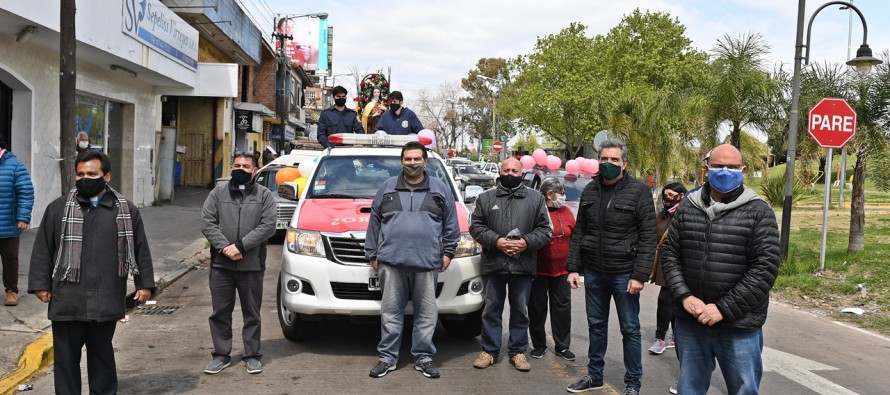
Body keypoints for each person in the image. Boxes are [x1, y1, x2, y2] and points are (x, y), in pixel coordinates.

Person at [28, 150, 155, 394]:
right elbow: (43, 248)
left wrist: (144, 284)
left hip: (106, 299)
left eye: (92, 174)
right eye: (80, 174)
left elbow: (141, 250)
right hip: (67, 299)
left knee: (102, 359)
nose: (85, 178)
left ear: (106, 176)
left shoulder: (126, 211)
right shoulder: (58, 209)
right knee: (65, 361)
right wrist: (40, 284)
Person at [661, 144, 781, 395]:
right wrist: (685, 296)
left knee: (743, 389)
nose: (725, 171)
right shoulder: (688, 207)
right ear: (707, 169)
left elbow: (765, 268)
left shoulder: (759, 211)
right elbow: (670, 254)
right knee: (689, 388)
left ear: (743, 170)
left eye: (732, 166)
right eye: (718, 166)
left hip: (738, 325)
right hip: (691, 320)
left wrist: (723, 309)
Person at [566, 139, 656, 395]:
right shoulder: (591, 190)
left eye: (614, 160)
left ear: (624, 164)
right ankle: (594, 376)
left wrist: (639, 275)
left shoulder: (638, 192)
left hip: (625, 273)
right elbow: (580, 230)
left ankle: (632, 384)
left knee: (630, 330)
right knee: (596, 326)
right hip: (594, 272)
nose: (608, 164)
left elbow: (648, 237)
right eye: (604, 159)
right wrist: (573, 267)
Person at [365, 141, 460, 379]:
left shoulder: (439, 188)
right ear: (401, 161)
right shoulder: (387, 188)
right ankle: (387, 358)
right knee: (390, 313)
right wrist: (372, 254)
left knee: (426, 315)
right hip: (391, 262)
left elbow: (451, 224)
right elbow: (374, 223)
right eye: (408, 159)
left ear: (425, 161)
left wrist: (448, 252)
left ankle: (423, 357)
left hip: (426, 262)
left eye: (417, 159)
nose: (412, 163)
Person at [469, 157, 552, 372]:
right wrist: (496, 241)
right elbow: (475, 226)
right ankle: (489, 350)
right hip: (494, 263)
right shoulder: (485, 198)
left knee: (520, 310)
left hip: (523, 265)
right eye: (506, 170)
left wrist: (526, 243)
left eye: (515, 171)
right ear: (499, 171)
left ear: (522, 173)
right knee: (491, 309)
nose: (510, 174)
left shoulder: (536, 199)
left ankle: (517, 351)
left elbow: (546, 229)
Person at [201, 152, 276, 375]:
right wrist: (225, 247)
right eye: (236, 165)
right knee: (220, 312)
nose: (240, 169)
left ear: (255, 171)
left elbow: (268, 225)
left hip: (252, 266)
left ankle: (252, 355)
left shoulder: (264, 195)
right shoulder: (218, 193)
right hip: (221, 266)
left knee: (252, 313)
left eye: (245, 166)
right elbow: (207, 223)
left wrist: (241, 246)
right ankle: (221, 355)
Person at [528, 176, 575, 361]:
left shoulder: (567, 212)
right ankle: (539, 344)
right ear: (549, 194)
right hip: (538, 271)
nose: (563, 196)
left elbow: (575, 236)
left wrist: (575, 268)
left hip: (562, 271)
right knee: (537, 309)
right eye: (560, 193)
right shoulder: (536, 212)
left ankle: (562, 346)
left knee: (562, 309)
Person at [648, 182, 687, 357]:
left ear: (681, 196)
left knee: (666, 299)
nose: (667, 199)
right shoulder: (662, 216)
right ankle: (673, 337)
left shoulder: (686, 214)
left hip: (680, 265)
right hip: (663, 264)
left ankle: (660, 338)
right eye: (666, 195)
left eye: (672, 195)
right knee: (670, 301)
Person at [0, 138, 34, 306]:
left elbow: (26, 192)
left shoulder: (15, 166)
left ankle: (11, 291)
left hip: (8, 223)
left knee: (10, 258)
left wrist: (23, 217)